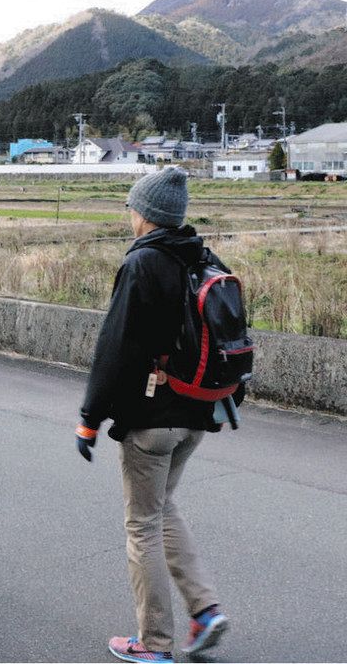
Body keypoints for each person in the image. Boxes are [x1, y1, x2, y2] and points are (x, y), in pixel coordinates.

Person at [75, 167, 234, 664]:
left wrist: (89, 417)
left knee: (141, 524)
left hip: (153, 419)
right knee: (163, 507)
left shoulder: (143, 264)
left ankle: (154, 643)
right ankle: (205, 611)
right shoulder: (203, 258)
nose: (130, 215)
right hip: (197, 414)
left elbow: (115, 348)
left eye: (132, 207)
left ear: (145, 214)